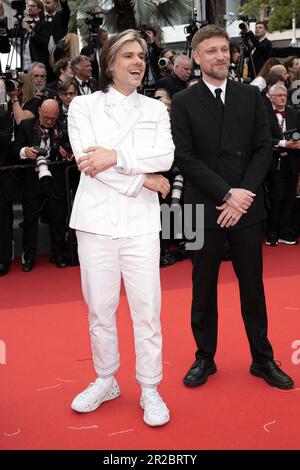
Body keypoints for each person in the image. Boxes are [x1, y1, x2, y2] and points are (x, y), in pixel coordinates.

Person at [171, 25, 294, 390]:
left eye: (224, 49)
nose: (221, 56)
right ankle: (204, 358)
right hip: (198, 207)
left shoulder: (250, 97)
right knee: (201, 288)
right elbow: (185, 157)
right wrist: (227, 193)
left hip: (246, 206)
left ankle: (262, 359)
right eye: (211, 51)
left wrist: (242, 195)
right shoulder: (182, 103)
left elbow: (263, 148)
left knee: (253, 288)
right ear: (196, 57)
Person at [67, 29, 174, 426]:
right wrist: (142, 178)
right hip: (94, 223)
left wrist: (115, 155)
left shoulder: (156, 109)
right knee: (100, 310)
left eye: (141, 56)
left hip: (141, 225)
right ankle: (106, 379)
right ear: (109, 63)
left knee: (147, 311)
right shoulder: (83, 106)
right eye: (127, 55)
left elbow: (164, 155)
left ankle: (150, 387)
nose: (137, 62)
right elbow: (87, 162)